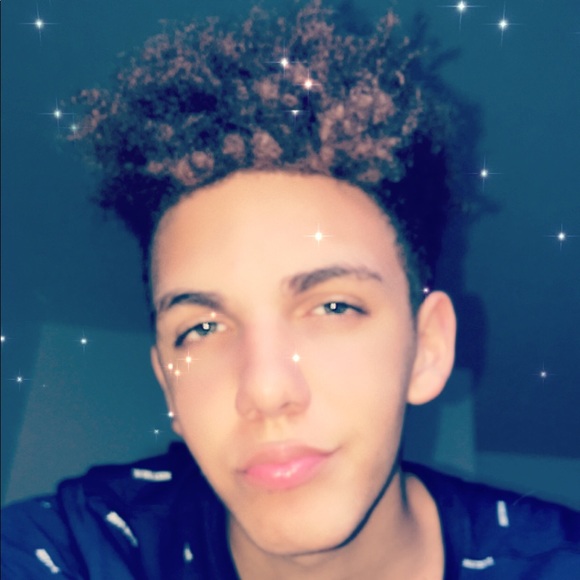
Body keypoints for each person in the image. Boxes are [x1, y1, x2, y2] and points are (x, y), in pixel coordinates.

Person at [2, 1, 579, 578]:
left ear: (427, 348)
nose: (266, 389)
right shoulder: (75, 549)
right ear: (168, 385)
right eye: (201, 327)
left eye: (333, 306)